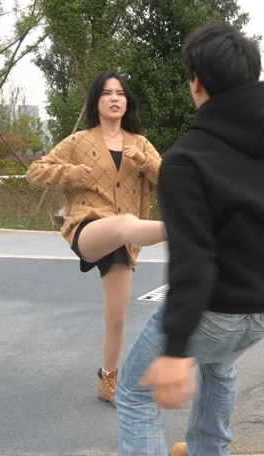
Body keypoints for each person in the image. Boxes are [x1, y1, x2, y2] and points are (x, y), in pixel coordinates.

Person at [116, 21, 264, 456]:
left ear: (197, 82)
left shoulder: (186, 159)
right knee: (218, 366)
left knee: (134, 393)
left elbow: (193, 261)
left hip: (214, 312)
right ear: (252, 75)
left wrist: (176, 350)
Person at [25, 70, 166, 408]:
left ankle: (108, 380)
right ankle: (190, 229)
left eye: (120, 93)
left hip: (123, 241)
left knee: (116, 317)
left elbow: (168, 177)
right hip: (88, 226)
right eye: (106, 93)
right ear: (95, 101)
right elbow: (35, 172)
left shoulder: (139, 143)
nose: (114, 98)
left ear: (127, 101)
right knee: (125, 223)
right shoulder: (79, 142)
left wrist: (143, 160)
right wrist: (70, 174)